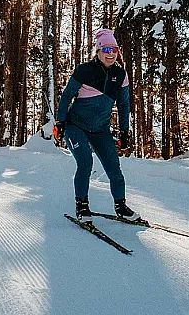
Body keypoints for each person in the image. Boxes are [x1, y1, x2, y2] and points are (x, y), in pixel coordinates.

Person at [53, 28, 140, 223]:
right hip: (76, 126)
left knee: (114, 169)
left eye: (114, 50)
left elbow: (124, 104)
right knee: (85, 163)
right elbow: (67, 96)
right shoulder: (84, 71)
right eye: (106, 50)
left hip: (100, 130)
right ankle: (82, 206)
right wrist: (60, 121)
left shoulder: (121, 74)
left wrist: (125, 131)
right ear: (98, 51)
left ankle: (121, 206)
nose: (111, 54)